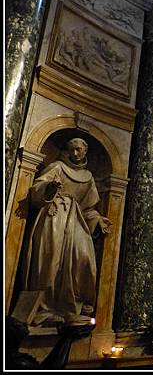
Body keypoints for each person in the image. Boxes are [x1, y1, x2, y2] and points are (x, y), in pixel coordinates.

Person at [21, 138, 111, 326]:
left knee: (84, 258)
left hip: (76, 219)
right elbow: (36, 190)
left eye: (78, 150)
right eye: (71, 150)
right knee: (50, 261)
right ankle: (46, 308)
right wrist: (50, 188)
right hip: (54, 217)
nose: (75, 154)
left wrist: (97, 220)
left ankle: (73, 305)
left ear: (85, 151)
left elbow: (89, 209)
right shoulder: (57, 167)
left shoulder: (88, 177)